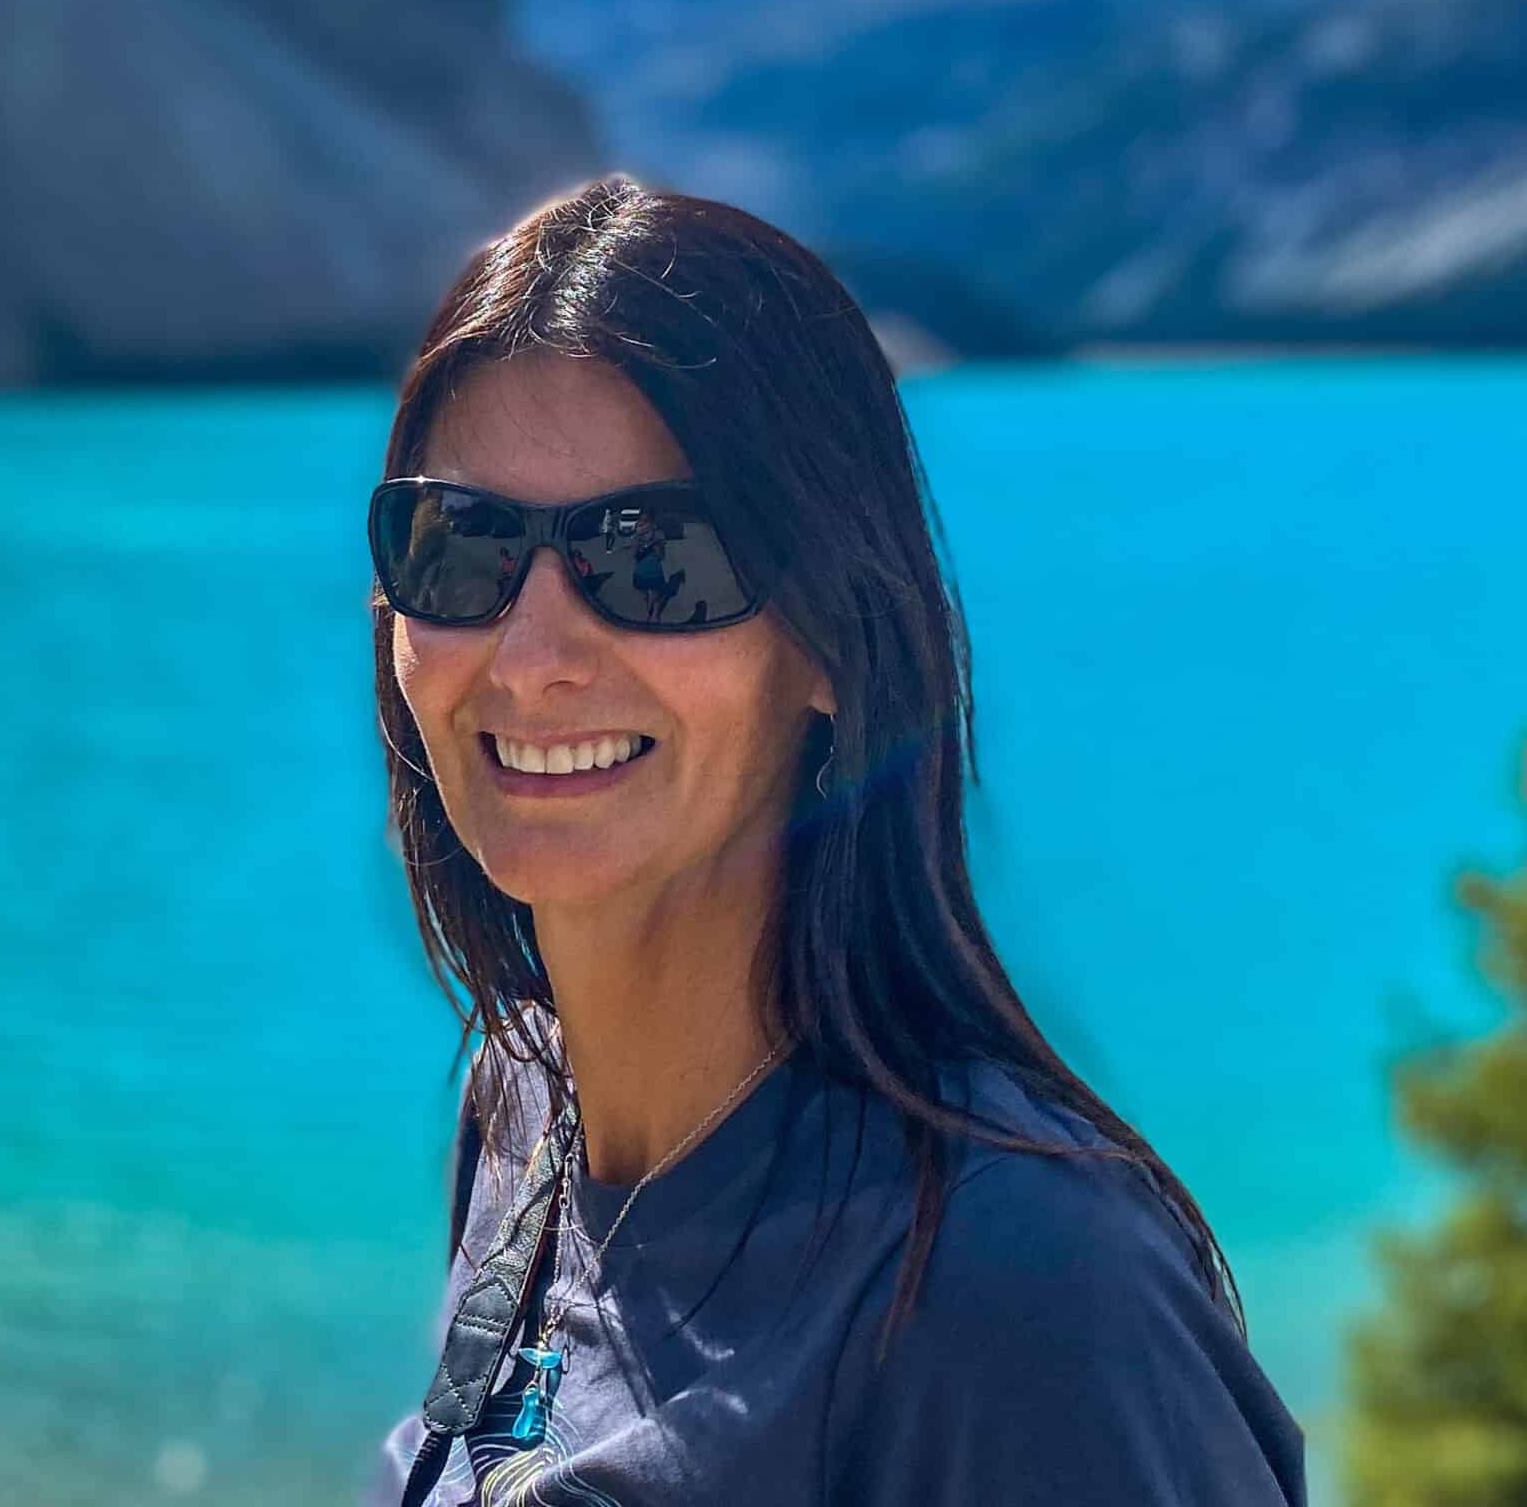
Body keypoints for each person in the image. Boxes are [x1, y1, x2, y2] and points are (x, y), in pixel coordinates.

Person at [358, 176, 1306, 1505]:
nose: (530, 656)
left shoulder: (1021, 1293)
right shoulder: (519, 1107)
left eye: (653, 560)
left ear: (828, 644)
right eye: (460, 547)